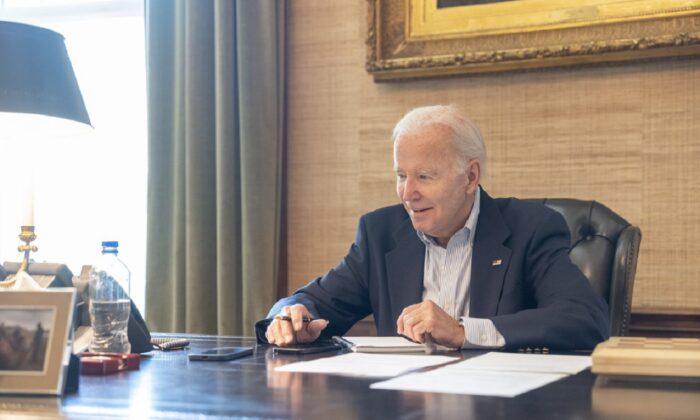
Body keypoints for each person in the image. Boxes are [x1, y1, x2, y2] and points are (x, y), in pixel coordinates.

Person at [256, 105, 609, 350]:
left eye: (424, 177)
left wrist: (461, 332)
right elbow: (311, 300)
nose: (408, 194)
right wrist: (291, 316)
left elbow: (584, 319)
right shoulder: (381, 233)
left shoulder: (530, 228)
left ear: (470, 176)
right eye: (401, 176)